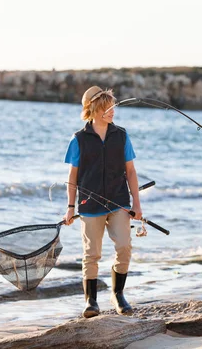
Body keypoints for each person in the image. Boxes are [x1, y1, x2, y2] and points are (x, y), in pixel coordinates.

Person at [63, 86, 143, 318]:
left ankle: (118, 294)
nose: (112, 111)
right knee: (91, 254)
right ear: (95, 109)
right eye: (107, 107)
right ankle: (91, 302)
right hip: (89, 205)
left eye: (113, 106)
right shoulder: (78, 139)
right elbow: (72, 176)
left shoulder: (121, 135)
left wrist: (136, 204)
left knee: (124, 247)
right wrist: (70, 207)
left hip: (119, 201)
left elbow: (131, 171)